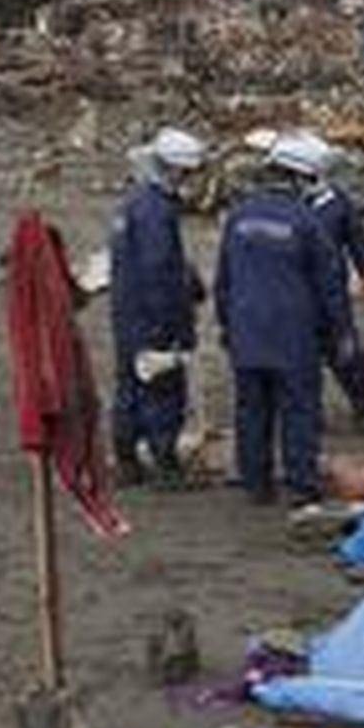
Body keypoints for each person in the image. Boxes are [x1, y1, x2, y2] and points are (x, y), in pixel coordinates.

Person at [215, 133, 353, 505]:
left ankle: (256, 484)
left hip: (247, 332)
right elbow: (330, 289)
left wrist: (227, 326)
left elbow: (223, 281)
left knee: (251, 410)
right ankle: (301, 486)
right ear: (302, 177)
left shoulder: (238, 217)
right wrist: (340, 334)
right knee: (299, 410)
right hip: (294, 337)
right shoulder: (308, 223)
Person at [109, 126, 207, 482]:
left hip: (127, 311)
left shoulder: (134, 202)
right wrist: (175, 327)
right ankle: (165, 461)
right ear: (177, 169)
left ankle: (126, 459)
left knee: (129, 385)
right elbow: (159, 271)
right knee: (162, 387)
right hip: (153, 314)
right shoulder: (156, 211)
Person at [292, 131, 364, 424]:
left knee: (347, 353)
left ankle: (361, 404)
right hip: (297, 294)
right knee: (303, 359)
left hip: (332, 295)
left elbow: (357, 241)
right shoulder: (291, 203)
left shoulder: (338, 203)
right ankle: (310, 413)